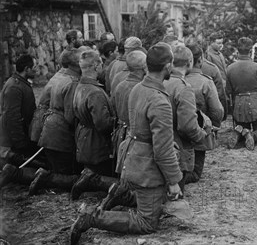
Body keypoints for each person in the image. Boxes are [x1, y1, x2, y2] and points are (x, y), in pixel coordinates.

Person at [69, 42, 183, 244]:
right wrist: (173, 181)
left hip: (131, 156)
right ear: (168, 66)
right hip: (146, 166)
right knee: (146, 222)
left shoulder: (138, 88)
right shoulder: (159, 101)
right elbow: (163, 149)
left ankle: (121, 194)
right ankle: (90, 218)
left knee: (156, 201)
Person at [29, 49, 83, 195]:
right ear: (78, 64)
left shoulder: (61, 76)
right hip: (57, 131)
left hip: (49, 127)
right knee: (65, 175)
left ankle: (41, 176)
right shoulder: (72, 81)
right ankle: (43, 178)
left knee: (58, 168)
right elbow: (70, 115)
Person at [70, 50, 118, 200]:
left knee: (93, 174)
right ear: (96, 66)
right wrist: (117, 120)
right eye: (101, 64)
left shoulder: (80, 86)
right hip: (96, 143)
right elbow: (103, 124)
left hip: (84, 138)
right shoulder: (95, 92)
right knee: (98, 178)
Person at [164, 44, 207, 190]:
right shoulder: (183, 87)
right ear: (190, 63)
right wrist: (201, 134)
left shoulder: (162, 81)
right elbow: (187, 126)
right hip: (179, 148)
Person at [0, 55, 41, 188]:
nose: (37, 70)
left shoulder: (21, 83)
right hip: (14, 141)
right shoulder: (14, 87)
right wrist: (20, 143)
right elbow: (12, 118)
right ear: (27, 68)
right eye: (34, 67)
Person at [226, 37, 257, 150]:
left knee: (241, 126)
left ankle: (239, 133)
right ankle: (252, 135)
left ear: (237, 51)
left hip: (240, 109)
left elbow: (228, 91)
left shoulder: (230, 68)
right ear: (251, 51)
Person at [186, 44, 224, 180]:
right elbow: (217, 110)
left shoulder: (172, 80)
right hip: (199, 130)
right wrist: (214, 126)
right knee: (195, 173)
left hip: (176, 134)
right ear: (201, 60)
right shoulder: (205, 82)